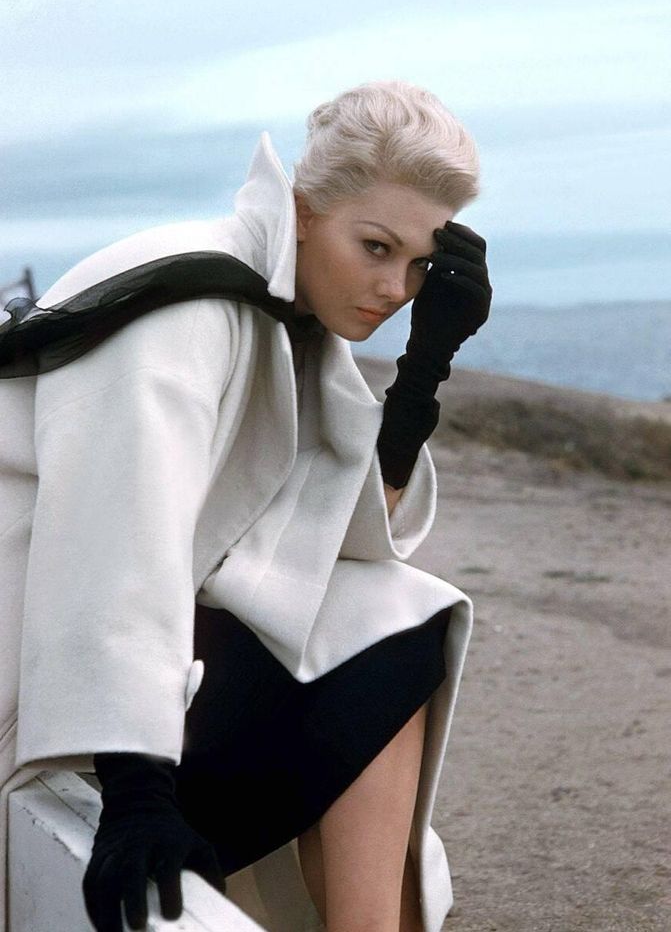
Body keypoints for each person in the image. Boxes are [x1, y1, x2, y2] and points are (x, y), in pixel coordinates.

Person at [0, 79, 491, 932]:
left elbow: (346, 542)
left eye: (417, 265)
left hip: (94, 685)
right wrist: (139, 791)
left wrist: (425, 368)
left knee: (391, 615)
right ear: (302, 210)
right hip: (38, 700)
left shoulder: (283, 311)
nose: (394, 287)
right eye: (375, 247)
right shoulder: (187, 302)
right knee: (390, 632)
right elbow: (116, 540)